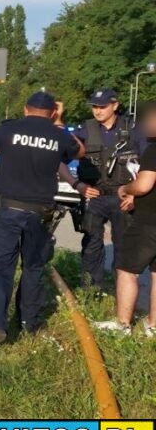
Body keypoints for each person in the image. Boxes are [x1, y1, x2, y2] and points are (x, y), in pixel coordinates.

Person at [0, 92, 84, 348]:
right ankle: (29, 323)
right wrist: (59, 122)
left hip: (6, 211)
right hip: (41, 214)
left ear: (26, 110)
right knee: (34, 268)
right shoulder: (58, 134)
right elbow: (80, 152)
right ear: (52, 112)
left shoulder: (8, 130)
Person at [94, 102, 156, 336]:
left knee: (127, 270)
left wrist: (126, 190)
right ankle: (153, 325)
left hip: (149, 220)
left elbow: (144, 184)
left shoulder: (153, 149)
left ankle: (123, 324)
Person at [75, 89, 145, 289]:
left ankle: (121, 292)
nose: (97, 111)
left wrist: (135, 194)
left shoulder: (133, 129)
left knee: (124, 248)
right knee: (91, 246)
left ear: (115, 105)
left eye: (102, 106)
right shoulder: (84, 130)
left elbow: (148, 163)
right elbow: (60, 153)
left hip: (123, 197)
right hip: (95, 196)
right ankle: (90, 291)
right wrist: (77, 185)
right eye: (95, 107)